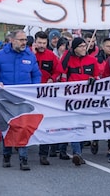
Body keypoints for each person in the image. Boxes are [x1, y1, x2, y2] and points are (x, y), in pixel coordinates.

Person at [0, 30, 41, 171]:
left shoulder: (30, 55)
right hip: (5, 99)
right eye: (21, 39)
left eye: (25, 39)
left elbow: (36, 74)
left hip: (23, 99)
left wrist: (34, 88)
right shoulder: (0, 56)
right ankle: (6, 154)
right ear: (12, 40)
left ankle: (23, 159)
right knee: (9, 127)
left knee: (23, 128)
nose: (24, 42)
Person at [58, 37, 100, 165]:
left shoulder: (92, 60)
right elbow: (61, 73)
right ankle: (77, 153)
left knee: (82, 125)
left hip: (86, 99)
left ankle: (70, 150)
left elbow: (97, 76)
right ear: (74, 48)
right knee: (74, 124)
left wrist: (94, 79)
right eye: (80, 46)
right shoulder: (68, 60)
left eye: (84, 45)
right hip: (72, 98)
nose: (83, 48)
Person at [33, 31, 61, 165]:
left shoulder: (51, 56)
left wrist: (52, 78)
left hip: (46, 94)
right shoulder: (28, 54)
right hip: (29, 94)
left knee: (45, 123)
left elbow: (58, 70)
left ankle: (43, 154)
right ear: (35, 42)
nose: (42, 45)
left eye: (44, 43)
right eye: (39, 42)